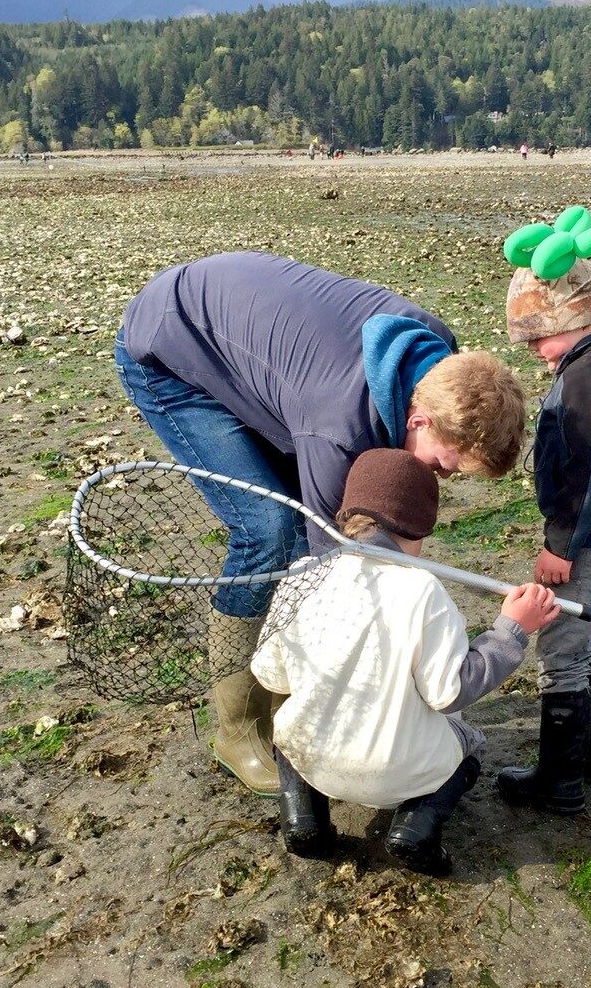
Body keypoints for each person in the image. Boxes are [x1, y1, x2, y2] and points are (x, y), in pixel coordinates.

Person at [115, 252, 526, 797]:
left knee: (308, 515)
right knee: (271, 531)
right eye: (439, 465)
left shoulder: (437, 354)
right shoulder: (338, 429)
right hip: (169, 346)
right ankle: (237, 729)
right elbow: (331, 579)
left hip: (252, 339)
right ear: (419, 417)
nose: (438, 479)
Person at [251, 448, 561, 877]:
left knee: (287, 729)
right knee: (470, 743)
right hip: (397, 775)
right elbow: (450, 692)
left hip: (311, 759)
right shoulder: (423, 591)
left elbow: (271, 674)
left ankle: (304, 818)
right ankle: (415, 828)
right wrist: (511, 629)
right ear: (418, 529)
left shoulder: (301, 574)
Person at [496, 240, 591, 814]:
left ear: (571, 314)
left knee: (563, 649)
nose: (534, 349)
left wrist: (558, 545)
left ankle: (559, 781)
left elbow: (587, 467)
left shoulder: (584, 378)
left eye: (538, 336)